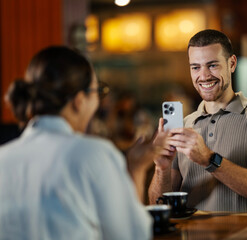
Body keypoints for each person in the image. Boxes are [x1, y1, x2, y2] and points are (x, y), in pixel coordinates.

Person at [0, 46, 167, 239]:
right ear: (79, 100)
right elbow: (132, 235)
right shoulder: (93, 154)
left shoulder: (3, 157)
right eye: (98, 91)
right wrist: (136, 170)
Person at [149, 29, 247, 213]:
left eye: (212, 65)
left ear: (231, 63)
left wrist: (209, 159)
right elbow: (160, 208)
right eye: (195, 67)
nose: (204, 75)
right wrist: (161, 168)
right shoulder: (182, 127)